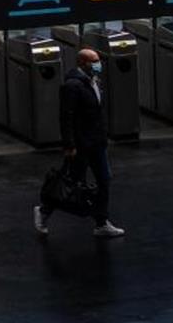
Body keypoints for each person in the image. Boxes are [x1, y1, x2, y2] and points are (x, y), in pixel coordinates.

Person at [35, 48, 125, 238]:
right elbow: (66, 117)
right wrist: (69, 145)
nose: (98, 64)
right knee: (70, 183)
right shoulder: (72, 86)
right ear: (83, 63)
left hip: (97, 143)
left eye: (98, 60)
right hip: (81, 145)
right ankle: (44, 211)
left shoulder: (94, 82)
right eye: (94, 61)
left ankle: (101, 222)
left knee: (104, 180)